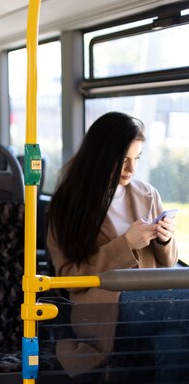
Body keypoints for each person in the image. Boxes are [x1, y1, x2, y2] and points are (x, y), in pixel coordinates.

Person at [47, 111, 189, 383]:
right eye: (122, 160)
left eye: (136, 159)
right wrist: (125, 245)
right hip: (101, 308)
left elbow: (168, 265)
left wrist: (166, 239)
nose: (131, 170)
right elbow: (69, 278)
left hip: (152, 300)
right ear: (100, 156)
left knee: (175, 342)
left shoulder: (147, 194)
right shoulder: (67, 205)